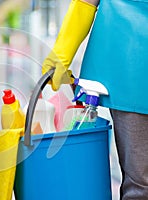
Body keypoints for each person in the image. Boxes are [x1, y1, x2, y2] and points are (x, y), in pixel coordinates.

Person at [42, 0, 148, 199]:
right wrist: (63, 49)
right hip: (130, 60)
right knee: (141, 183)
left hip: (128, 59)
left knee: (141, 184)